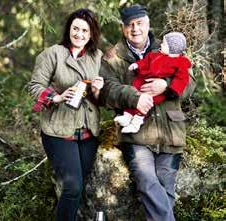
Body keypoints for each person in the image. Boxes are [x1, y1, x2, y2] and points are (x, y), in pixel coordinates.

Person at [98, 4, 196, 221]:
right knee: (147, 183)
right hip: (137, 134)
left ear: (148, 24)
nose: (135, 29)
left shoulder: (168, 47)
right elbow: (106, 90)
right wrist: (134, 97)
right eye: (129, 25)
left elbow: (190, 82)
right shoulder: (113, 57)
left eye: (140, 23)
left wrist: (166, 84)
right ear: (123, 29)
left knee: (166, 188)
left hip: (171, 131)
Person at [28, 8, 104, 221]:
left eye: (84, 31)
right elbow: (34, 86)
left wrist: (98, 89)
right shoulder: (53, 54)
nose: (79, 34)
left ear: (91, 34)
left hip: (88, 131)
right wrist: (58, 97)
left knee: (80, 187)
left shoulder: (97, 57)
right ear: (69, 29)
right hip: (58, 131)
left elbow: (103, 98)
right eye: (75, 29)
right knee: (72, 187)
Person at [114, 32, 192, 133]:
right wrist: (137, 65)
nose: (161, 45)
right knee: (135, 93)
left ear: (172, 49)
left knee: (145, 102)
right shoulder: (156, 55)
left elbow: (183, 79)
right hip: (144, 80)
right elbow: (146, 62)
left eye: (164, 44)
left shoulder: (181, 62)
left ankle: (136, 123)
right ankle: (127, 116)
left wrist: (171, 88)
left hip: (161, 98)